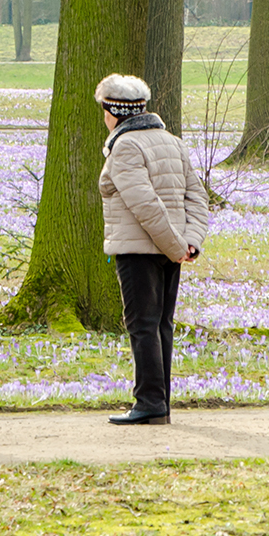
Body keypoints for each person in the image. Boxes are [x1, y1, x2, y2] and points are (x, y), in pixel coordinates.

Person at [97, 73, 208, 426]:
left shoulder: (126, 146)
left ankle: (149, 402)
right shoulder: (171, 141)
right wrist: (189, 242)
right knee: (161, 325)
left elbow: (144, 204)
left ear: (115, 111)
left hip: (139, 249)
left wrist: (178, 246)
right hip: (171, 248)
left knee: (143, 325)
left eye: (104, 109)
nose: (104, 117)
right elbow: (197, 197)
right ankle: (159, 401)